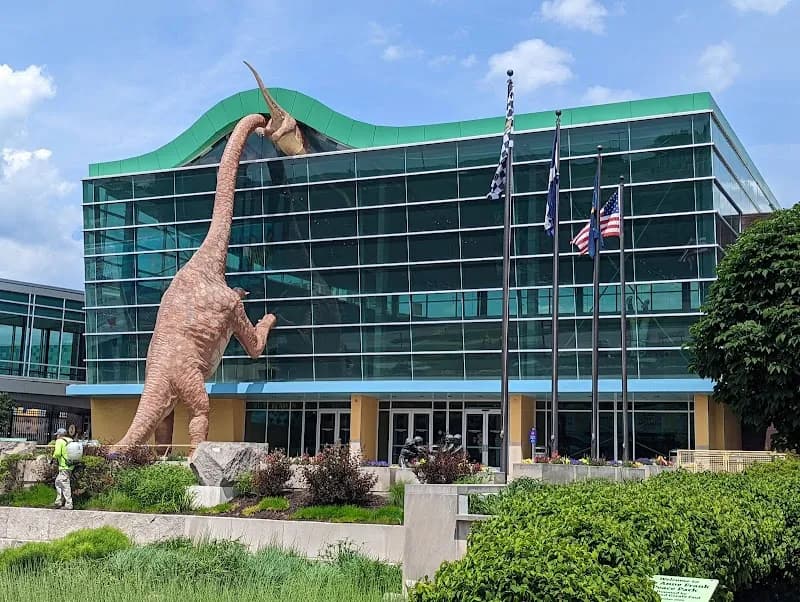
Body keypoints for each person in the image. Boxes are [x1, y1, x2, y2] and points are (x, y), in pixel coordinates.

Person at [52, 428, 74, 510]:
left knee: (65, 485)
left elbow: (57, 453)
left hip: (64, 466)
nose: (56, 436)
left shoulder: (59, 441)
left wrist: (52, 457)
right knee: (58, 482)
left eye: (57, 435)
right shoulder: (70, 440)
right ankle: (58, 502)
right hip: (71, 465)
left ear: (59, 435)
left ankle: (69, 504)